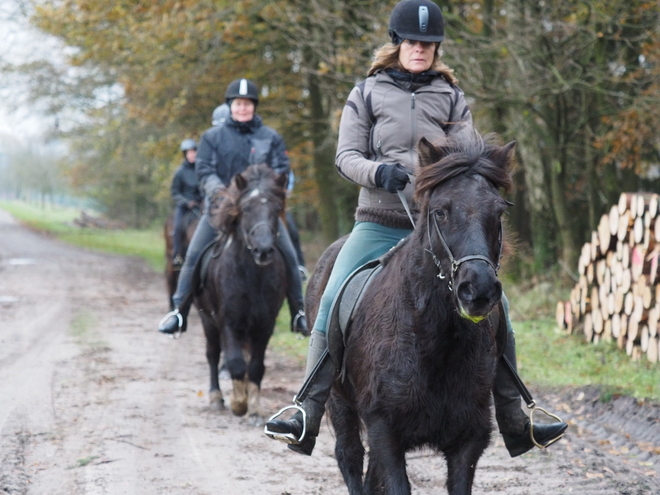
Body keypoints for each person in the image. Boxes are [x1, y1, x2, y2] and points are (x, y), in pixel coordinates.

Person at [265, 0, 567, 457]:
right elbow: (346, 155)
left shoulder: (451, 96)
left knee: (497, 300)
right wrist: (378, 172)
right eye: (412, 42)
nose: (420, 50)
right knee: (331, 298)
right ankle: (305, 408)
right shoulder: (365, 92)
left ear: (436, 48)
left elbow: (468, 155)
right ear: (397, 44)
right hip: (379, 221)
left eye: (428, 44)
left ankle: (513, 414)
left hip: (439, 227)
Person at [158, 78, 307, 336]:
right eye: (238, 104)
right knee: (193, 256)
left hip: (259, 211)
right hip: (220, 209)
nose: (242, 109)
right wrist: (220, 193)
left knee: (290, 256)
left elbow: (280, 171)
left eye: (247, 104)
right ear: (230, 105)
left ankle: (299, 313)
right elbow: (205, 170)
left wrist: (264, 193)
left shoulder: (270, 137)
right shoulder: (212, 137)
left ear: (254, 107)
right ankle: (178, 312)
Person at [170, 139, 203, 267]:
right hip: (185, 207)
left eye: (193, 152)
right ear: (185, 155)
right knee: (177, 228)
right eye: (189, 153)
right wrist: (186, 202)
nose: (191, 155)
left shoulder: (201, 169)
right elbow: (175, 192)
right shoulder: (180, 172)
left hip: (201, 205)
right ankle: (177, 256)